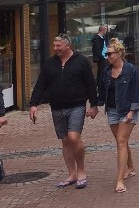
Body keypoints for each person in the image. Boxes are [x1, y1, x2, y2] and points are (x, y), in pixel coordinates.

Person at [29, 33, 99, 189]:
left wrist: (94, 104)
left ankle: (81, 171)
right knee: (65, 141)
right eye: (54, 46)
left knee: (74, 137)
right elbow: (41, 84)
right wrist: (34, 104)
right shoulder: (50, 63)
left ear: (68, 46)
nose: (55, 49)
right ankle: (72, 174)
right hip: (56, 107)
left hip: (77, 105)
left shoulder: (81, 61)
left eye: (58, 46)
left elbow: (90, 83)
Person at [97, 38, 139, 193]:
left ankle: (120, 180)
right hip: (112, 110)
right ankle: (130, 167)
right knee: (121, 140)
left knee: (121, 141)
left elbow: (137, 93)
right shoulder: (106, 71)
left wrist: (132, 111)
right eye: (106, 54)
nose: (107, 57)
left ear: (119, 54)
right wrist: (95, 106)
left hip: (127, 109)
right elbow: (102, 92)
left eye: (110, 54)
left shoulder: (132, 70)